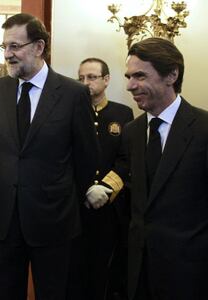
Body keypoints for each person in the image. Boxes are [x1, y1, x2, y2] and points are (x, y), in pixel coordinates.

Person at [0, 13, 99, 300]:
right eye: (4, 47)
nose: (8, 55)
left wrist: (68, 203)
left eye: (15, 46)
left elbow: (87, 158)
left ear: (39, 47)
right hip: (5, 219)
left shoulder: (73, 93)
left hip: (54, 220)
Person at [112, 37, 208, 300]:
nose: (130, 85)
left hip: (192, 277)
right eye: (128, 76)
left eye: (139, 76)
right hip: (140, 276)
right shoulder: (132, 132)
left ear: (171, 74)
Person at [73, 58, 133, 300]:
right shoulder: (71, 111)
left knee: (105, 266)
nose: (85, 82)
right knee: (76, 266)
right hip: (77, 203)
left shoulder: (122, 113)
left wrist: (106, 188)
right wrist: (85, 189)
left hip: (109, 205)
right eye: (81, 78)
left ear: (106, 80)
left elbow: (126, 158)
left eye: (92, 77)